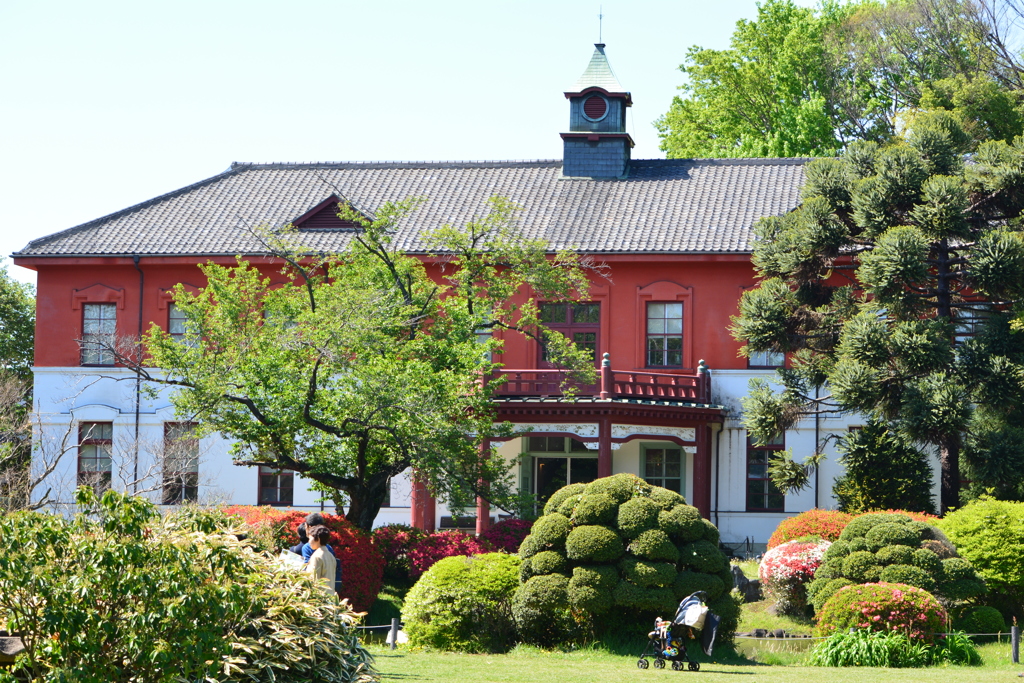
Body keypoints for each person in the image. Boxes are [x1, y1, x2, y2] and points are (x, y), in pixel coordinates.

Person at [304, 525, 338, 594]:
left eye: (310, 538)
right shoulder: (330, 555)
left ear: (318, 539)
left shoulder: (317, 556)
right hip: (330, 596)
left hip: (319, 598)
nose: (309, 542)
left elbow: (312, 580)